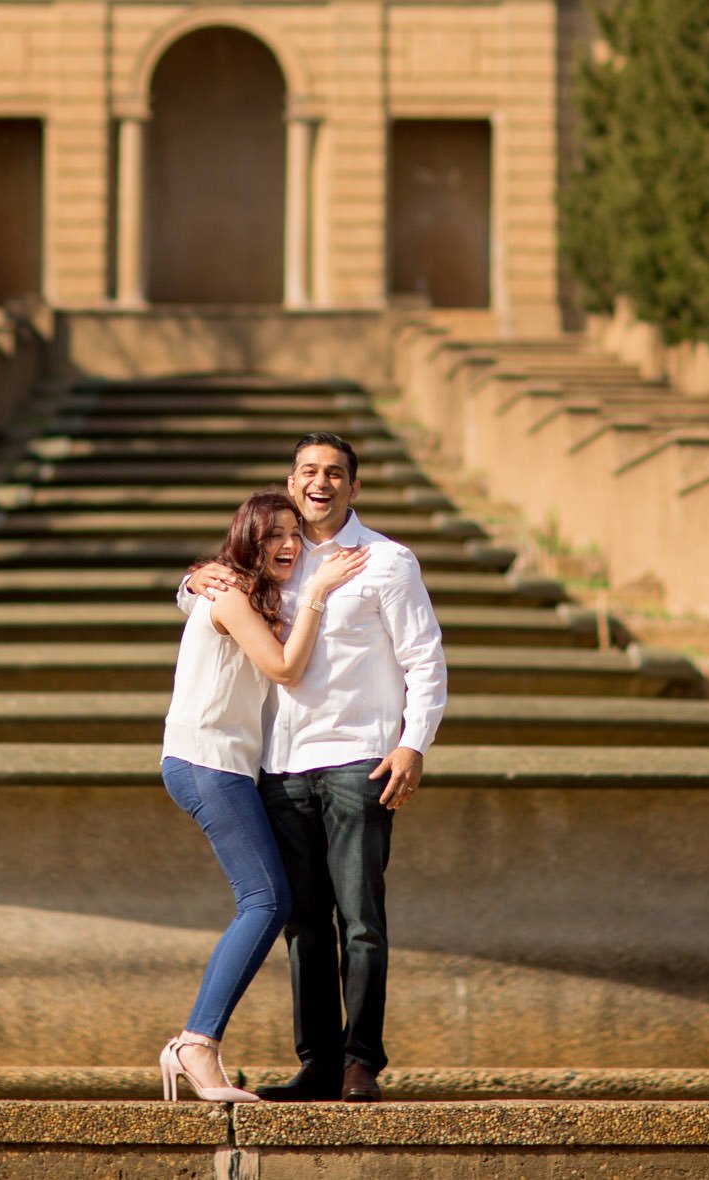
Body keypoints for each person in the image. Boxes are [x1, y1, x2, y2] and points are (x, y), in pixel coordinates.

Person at [185, 433, 448, 1102]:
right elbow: (212, 598)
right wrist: (189, 580)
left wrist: (413, 743)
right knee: (303, 924)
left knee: (360, 920)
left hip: (360, 759)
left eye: (334, 473)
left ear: (353, 488)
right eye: (308, 470)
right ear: (292, 480)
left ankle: (361, 1062)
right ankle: (319, 1064)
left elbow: (425, 660)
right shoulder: (281, 554)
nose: (320, 481)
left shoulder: (388, 562)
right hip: (281, 766)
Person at [161, 490, 369, 1102]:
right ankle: (195, 1044)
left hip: (223, 764)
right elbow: (283, 668)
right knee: (265, 901)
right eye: (271, 534)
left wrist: (191, 577)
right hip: (208, 762)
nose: (286, 544)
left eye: (293, 534)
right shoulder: (230, 592)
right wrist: (318, 592)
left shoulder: (235, 589)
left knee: (269, 901)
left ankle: (197, 1044)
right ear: (247, 541)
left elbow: (195, 587)